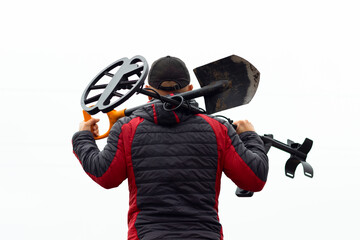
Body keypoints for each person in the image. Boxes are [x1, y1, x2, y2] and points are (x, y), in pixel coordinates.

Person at [72, 56, 269, 240]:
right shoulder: (217, 128)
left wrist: (83, 137)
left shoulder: (127, 128)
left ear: (148, 92)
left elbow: (105, 175)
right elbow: (254, 179)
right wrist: (249, 135)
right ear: (191, 88)